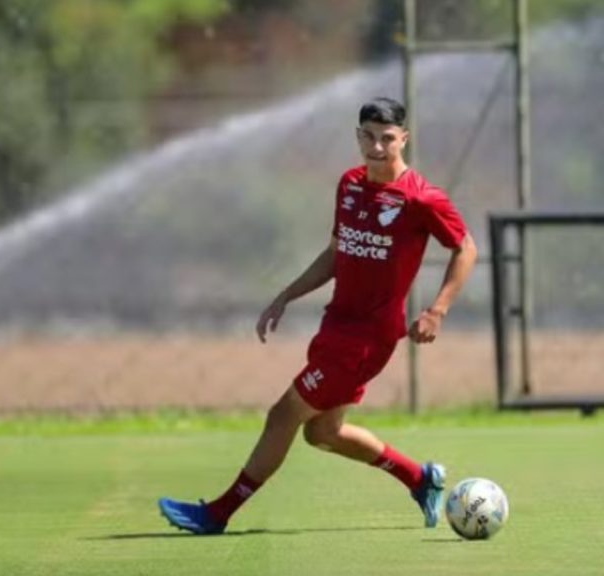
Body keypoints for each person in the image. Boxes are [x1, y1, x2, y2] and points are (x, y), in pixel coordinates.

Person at [158, 97, 478, 535]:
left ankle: (218, 513)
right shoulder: (348, 184)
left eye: (387, 138)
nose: (377, 146)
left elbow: (466, 248)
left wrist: (437, 310)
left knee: (283, 414)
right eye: (368, 136)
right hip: (336, 325)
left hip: (367, 339)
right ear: (358, 136)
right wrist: (286, 294)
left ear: (404, 138)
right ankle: (420, 478)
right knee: (323, 432)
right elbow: (335, 253)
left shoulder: (422, 198)